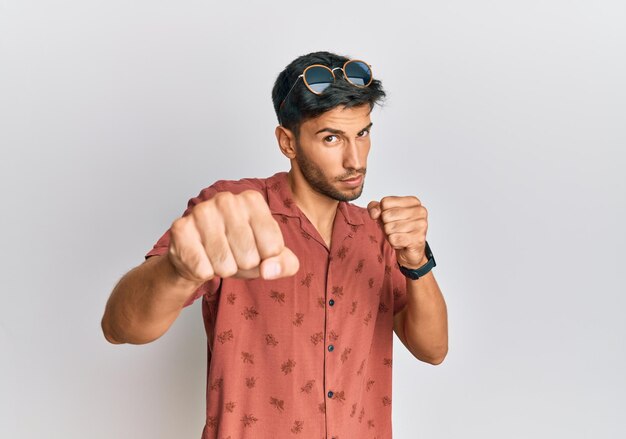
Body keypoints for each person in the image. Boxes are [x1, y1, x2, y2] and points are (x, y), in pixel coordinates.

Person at [101, 50, 448, 439]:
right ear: (288, 142)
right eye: (331, 137)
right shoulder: (235, 212)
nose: (355, 159)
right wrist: (177, 270)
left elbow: (432, 350)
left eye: (362, 133)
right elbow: (120, 328)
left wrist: (417, 260)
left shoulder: (377, 232)